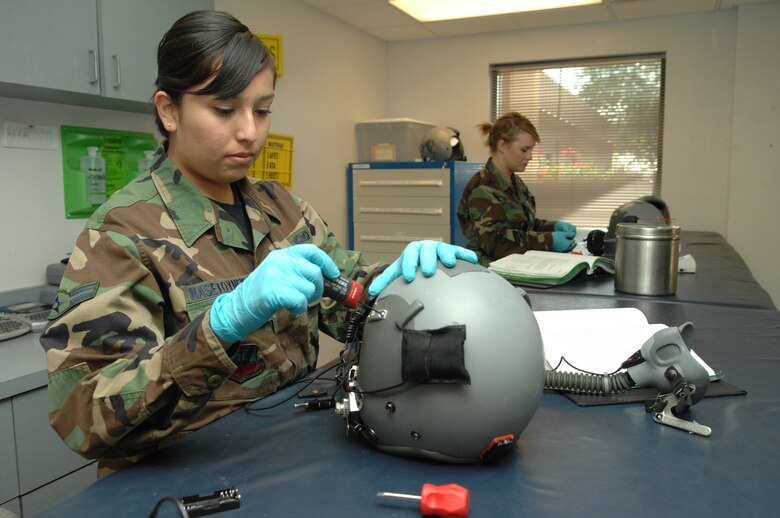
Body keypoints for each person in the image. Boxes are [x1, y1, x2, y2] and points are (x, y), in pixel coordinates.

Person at [40, 10, 476, 477]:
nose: (250, 132)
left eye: (262, 110)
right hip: (181, 481)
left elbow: (352, 304)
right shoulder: (121, 233)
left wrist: (403, 284)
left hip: (291, 457)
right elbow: (83, 416)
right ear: (169, 111)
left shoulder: (283, 209)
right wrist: (218, 327)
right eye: (224, 110)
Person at [457, 112, 577, 266]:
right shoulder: (482, 188)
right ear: (502, 146)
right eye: (524, 150)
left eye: (531, 150)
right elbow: (496, 243)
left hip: (517, 266)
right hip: (491, 271)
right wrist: (548, 241)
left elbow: (525, 225)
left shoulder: (515, 183)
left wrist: (553, 227)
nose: (530, 156)